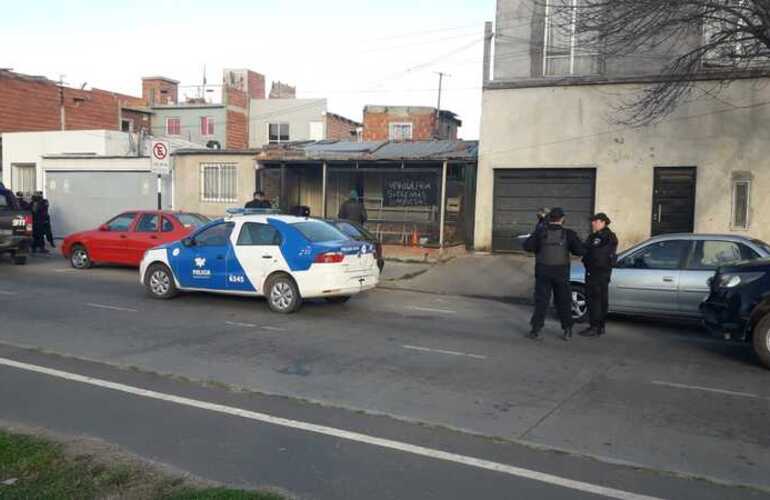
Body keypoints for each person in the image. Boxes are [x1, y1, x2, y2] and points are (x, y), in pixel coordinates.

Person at [523, 207, 585, 341]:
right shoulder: (569, 234)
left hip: (543, 270)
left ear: (549, 218)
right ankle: (567, 329)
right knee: (563, 301)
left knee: (541, 302)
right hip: (561, 271)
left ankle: (535, 330)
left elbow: (527, 247)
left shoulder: (540, 232)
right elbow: (579, 251)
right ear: (562, 219)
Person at [579, 213, 618, 338]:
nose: (593, 223)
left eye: (595, 221)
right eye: (593, 221)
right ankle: (597, 326)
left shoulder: (608, 237)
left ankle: (596, 327)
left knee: (596, 301)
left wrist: (588, 258)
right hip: (594, 272)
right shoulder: (594, 236)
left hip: (599, 273)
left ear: (603, 222)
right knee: (595, 300)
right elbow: (585, 250)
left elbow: (598, 255)